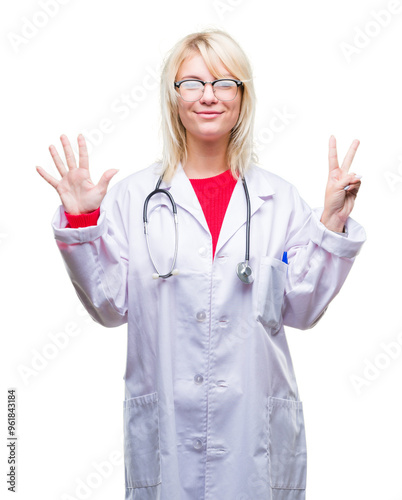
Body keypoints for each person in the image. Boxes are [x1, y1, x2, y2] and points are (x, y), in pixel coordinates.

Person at [36, 28, 366, 500]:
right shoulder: (135, 198)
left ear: (242, 97)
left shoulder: (279, 200)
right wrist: (82, 217)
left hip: (255, 435)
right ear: (173, 98)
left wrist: (331, 221)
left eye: (224, 83)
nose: (208, 96)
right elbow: (109, 307)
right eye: (192, 83)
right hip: (168, 436)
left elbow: (303, 309)